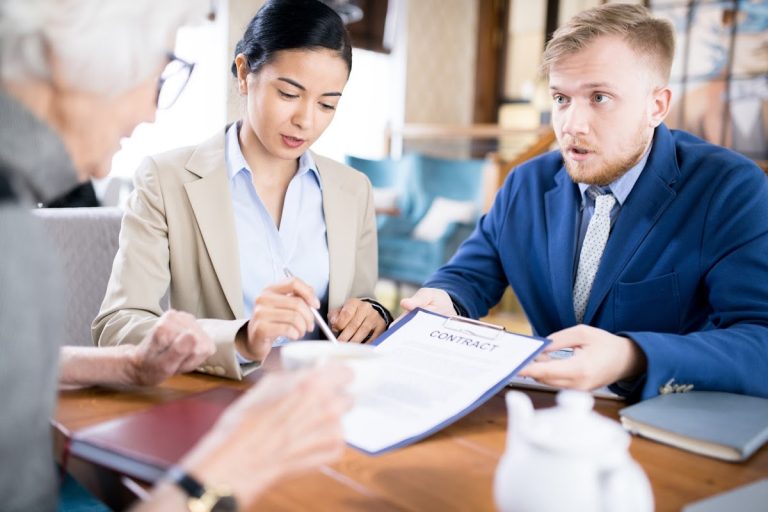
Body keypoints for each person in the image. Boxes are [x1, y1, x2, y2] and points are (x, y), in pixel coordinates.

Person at [0, 1, 352, 510]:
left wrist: (129, 366)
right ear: (67, 55)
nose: (150, 110)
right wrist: (223, 469)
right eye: (158, 69)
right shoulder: (14, 247)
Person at [401, 3, 768, 401]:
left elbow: (761, 341)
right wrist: (443, 300)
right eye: (561, 98)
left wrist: (633, 356)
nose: (572, 125)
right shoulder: (526, 183)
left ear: (656, 106)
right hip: (547, 416)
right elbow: (469, 275)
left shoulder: (729, 188)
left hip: (667, 422)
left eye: (599, 97)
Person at [93, 0, 391, 381]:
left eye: (327, 104)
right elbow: (117, 326)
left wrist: (372, 313)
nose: (306, 120)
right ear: (244, 73)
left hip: (326, 401)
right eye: (288, 94)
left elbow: (360, 303)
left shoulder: (354, 190)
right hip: (214, 404)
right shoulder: (165, 180)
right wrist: (239, 339)